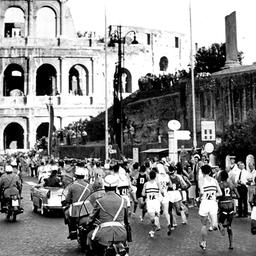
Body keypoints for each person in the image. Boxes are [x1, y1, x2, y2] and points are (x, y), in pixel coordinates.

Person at [87, 174, 129, 256]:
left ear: (105, 187)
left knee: (89, 236)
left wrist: (89, 223)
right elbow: (126, 220)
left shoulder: (100, 201)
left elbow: (92, 217)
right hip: (121, 233)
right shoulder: (123, 201)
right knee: (126, 244)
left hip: (104, 233)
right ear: (116, 187)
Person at [62, 167, 91, 239]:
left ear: (76, 176)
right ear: (84, 176)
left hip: (76, 208)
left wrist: (66, 202)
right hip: (87, 208)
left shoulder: (72, 186)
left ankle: (72, 230)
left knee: (67, 213)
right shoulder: (89, 186)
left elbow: (68, 199)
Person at [198, 164, 222, 251]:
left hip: (204, 203)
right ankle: (216, 225)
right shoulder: (215, 180)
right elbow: (220, 193)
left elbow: (201, 192)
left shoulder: (201, 180)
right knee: (214, 224)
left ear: (202, 172)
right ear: (209, 171)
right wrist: (213, 195)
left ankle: (203, 243)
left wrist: (200, 197)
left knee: (204, 225)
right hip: (213, 203)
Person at [218, 170, 240, 250]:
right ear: (227, 176)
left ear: (221, 177)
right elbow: (238, 196)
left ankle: (221, 227)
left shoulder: (220, 185)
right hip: (230, 206)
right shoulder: (231, 185)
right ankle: (231, 244)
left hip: (223, 205)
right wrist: (230, 197)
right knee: (229, 225)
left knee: (219, 221)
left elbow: (219, 196)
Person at [142, 170, 161, 238]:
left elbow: (143, 194)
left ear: (149, 176)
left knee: (152, 218)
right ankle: (156, 224)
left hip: (150, 202)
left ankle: (153, 230)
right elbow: (161, 191)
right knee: (155, 216)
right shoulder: (157, 183)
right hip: (156, 202)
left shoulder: (146, 184)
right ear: (155, 176)